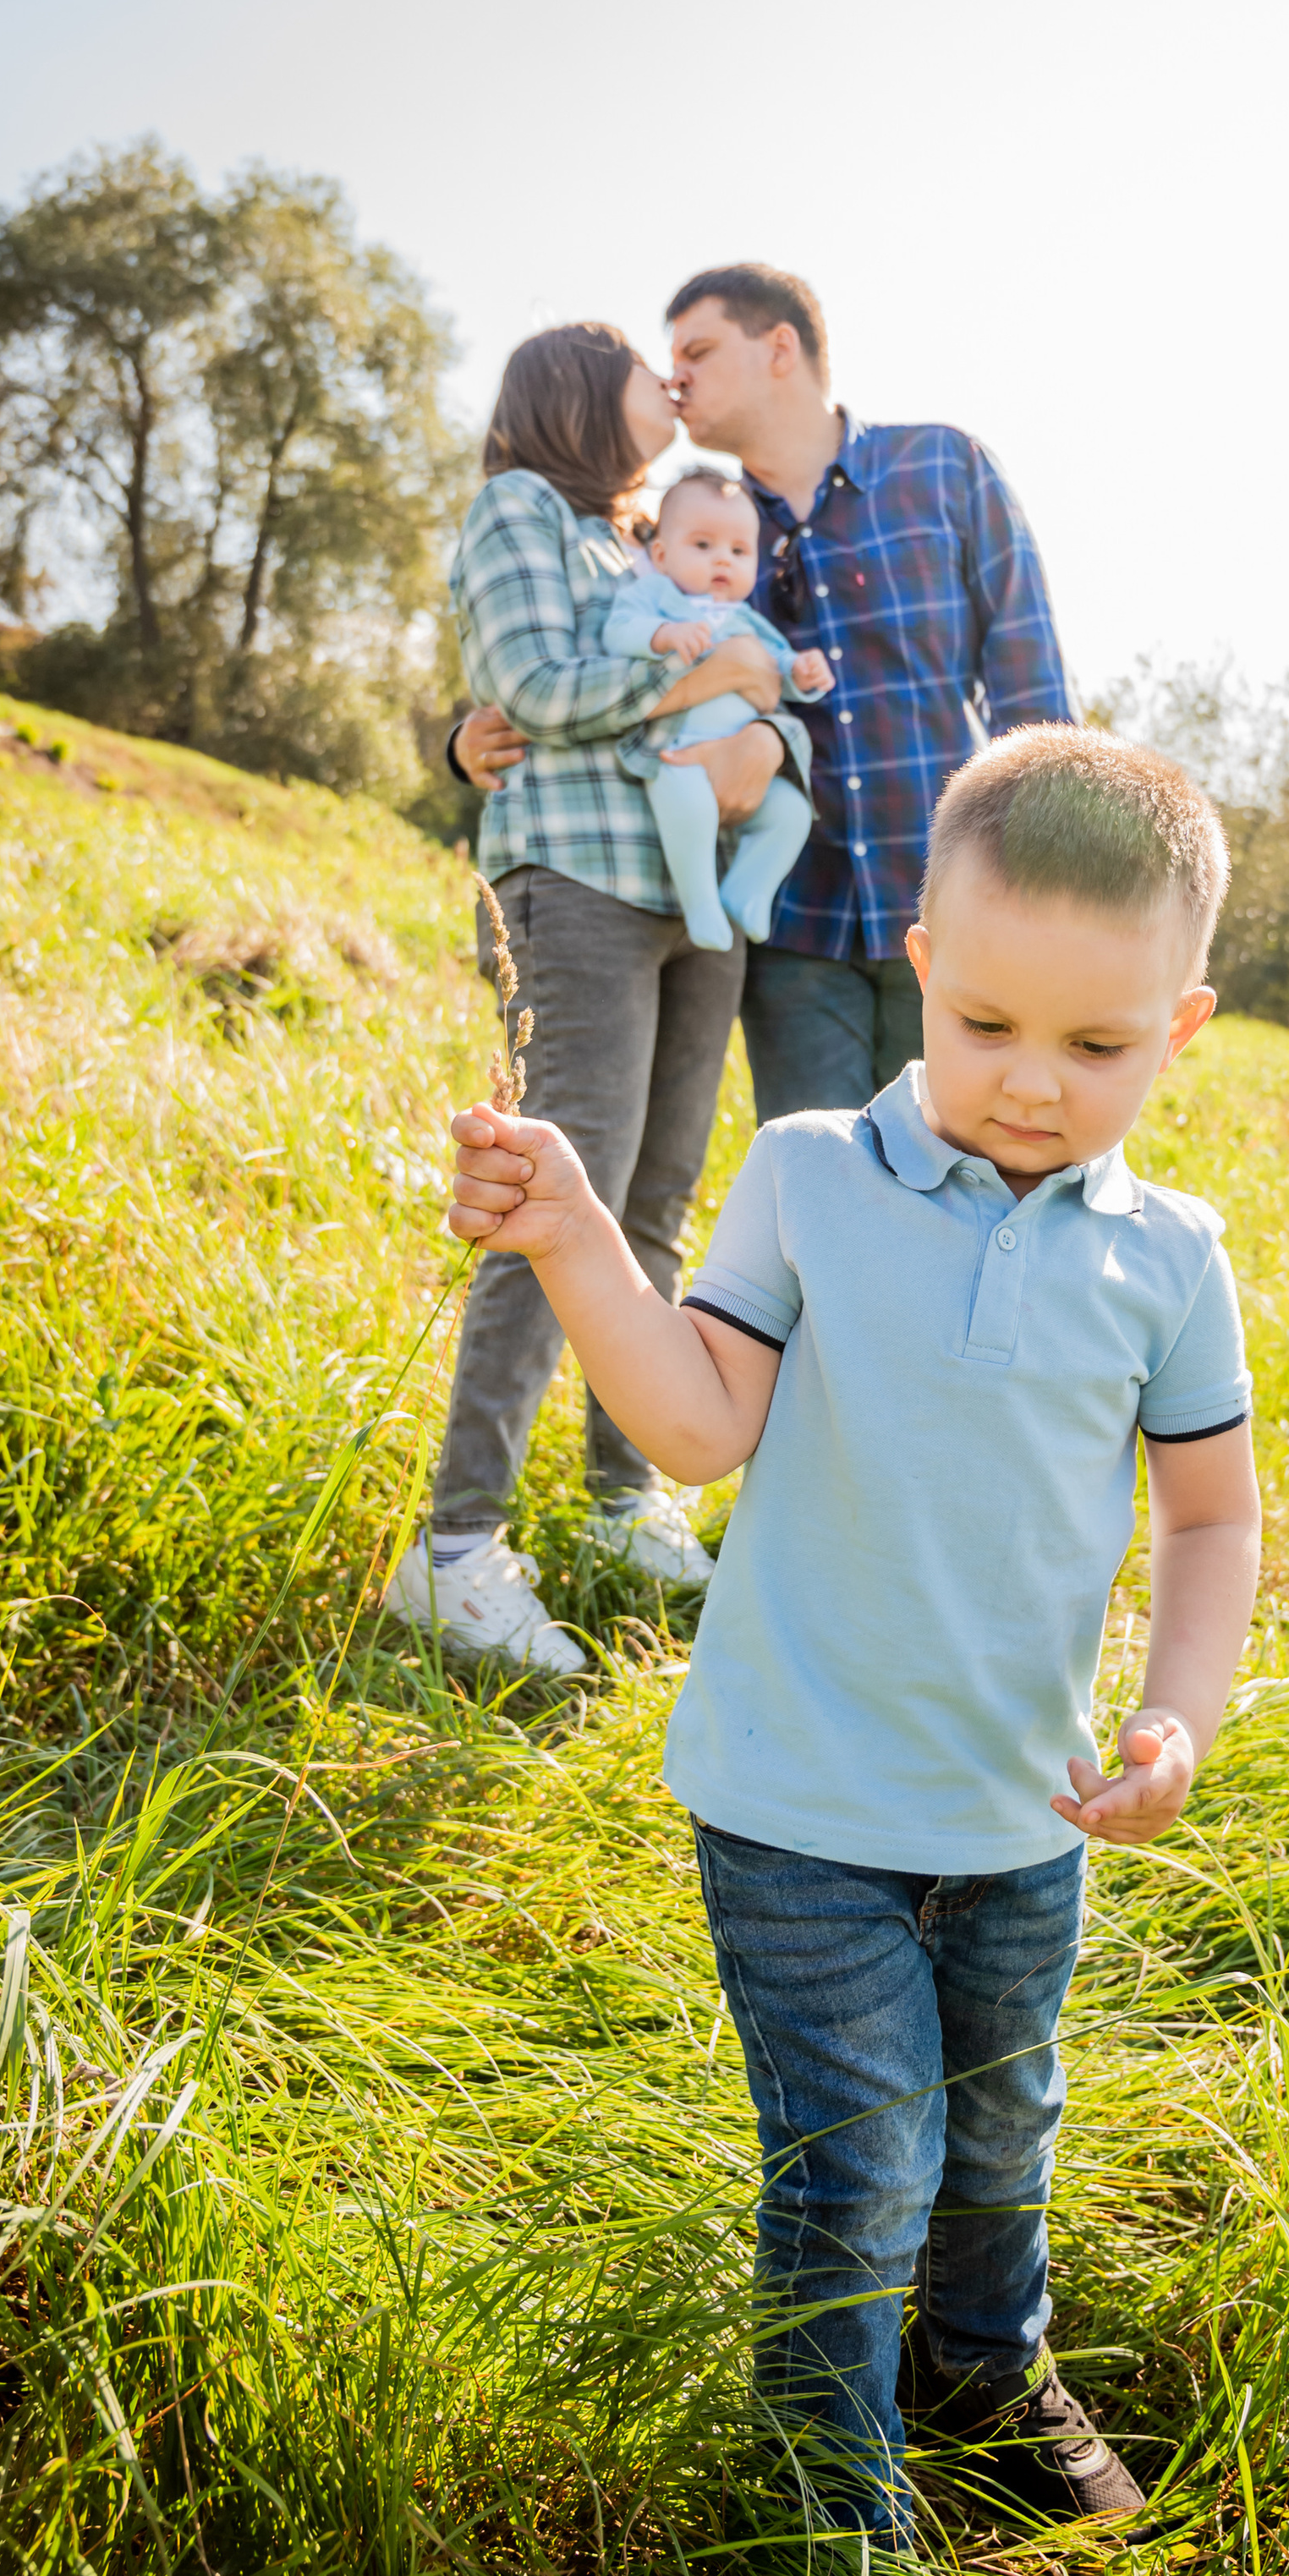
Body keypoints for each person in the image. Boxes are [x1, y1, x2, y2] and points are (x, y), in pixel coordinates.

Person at [445, 726, 1263, 2576]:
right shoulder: (810, 1167)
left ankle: (985, 2369)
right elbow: (697, 1426)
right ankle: (842, 2574)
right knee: (860, 2175)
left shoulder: (1166, 1257)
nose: (1025, 1076)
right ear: (915, 954)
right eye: (984, 1016)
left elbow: (1205, 1519)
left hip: (1023, 1813)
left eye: (1093, 1040)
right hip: (796, 1806)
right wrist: (574, 1243)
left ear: (1179, 1025)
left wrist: (1180, 1707)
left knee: (1000, 2128)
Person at [385, 323, 811, 1677]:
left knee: (655, 1206)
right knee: (555, 1200)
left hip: (690, 901)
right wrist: (715, 677)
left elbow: (618, 690)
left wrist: (736, 693)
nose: (671, 392)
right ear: (579, 389)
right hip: (573, 888)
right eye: (650, 369)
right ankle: (456, 1546)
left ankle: (628, 1498)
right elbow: (532, 689)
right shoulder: (518, 508)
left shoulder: (635, 540)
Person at [667, 262, 1077, 1120]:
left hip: (956, 916)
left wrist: (1048, 895)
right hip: (793, 930)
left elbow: (1029, 690)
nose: (678, 378)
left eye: (699, 351)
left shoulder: (942, 467)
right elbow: (623, 655)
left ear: (780, 348)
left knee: (969, 1185)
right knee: (825, 1202)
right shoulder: (703, 535)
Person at [599, 469, 833, 951]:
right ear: (661, 555)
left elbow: (779, 666)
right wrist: (663, 636)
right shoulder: (657, 598)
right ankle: (700, 900)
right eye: (703, 546)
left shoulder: (747, 619)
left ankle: (747, 891)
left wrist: (804, 672)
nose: (722, 559)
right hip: (677, 754)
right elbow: (617, 630)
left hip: (742, 763)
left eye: (738, 550)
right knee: (689, 806)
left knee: (791, 812)